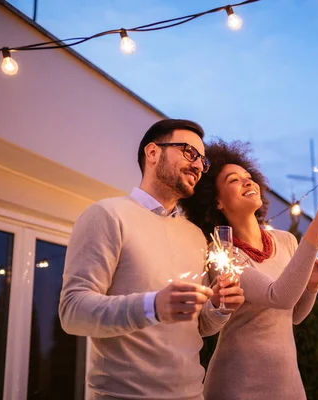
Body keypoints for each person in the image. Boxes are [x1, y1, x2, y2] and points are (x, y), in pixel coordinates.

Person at [59, 119, 245, 400]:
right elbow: (73, 312)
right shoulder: (107, 215)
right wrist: (152, 306)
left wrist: (219, 307)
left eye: (202, 161)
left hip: (193, 394)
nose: (197, 165)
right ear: (153, 152)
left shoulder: (195, 235)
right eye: (188, 152)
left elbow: (200, 327)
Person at [181, 139, 318, 400]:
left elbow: (292, 315)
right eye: (233, 180)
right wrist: (316, 228)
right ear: (217, 202)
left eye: (248, 177)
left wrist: (312, 286)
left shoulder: (286, 241)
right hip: (237, 384)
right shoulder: (222, 253)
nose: (248, 182)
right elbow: (277, 296)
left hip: (288, 384)